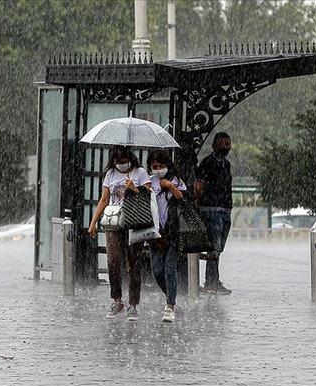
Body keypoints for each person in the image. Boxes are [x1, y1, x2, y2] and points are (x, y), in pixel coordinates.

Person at [88, 146, 151, 321]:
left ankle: (133, 303)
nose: (120, 165)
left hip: (134, 222)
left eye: (123, 161)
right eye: (117, 161)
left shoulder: (140, 173)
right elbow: (104, 199)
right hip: (114, 222)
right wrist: (93, 222)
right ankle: (117, 300)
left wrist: (135, 189)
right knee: (113, 260)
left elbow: (149, 196)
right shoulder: (110, 174)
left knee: (133, 263)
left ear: (129, 158)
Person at [147, 150, 186, 322]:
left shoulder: (176, 179)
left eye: (160, 166)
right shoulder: (149, 181)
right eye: (154, 166)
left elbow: (182, 198)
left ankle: (170, 306)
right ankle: (171, 296)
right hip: (156, 234)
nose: (157, 169)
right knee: (157, 271)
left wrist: (169, 185)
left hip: (173, 232)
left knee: (169, 268)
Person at [195, 132, 233, 295]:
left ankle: (213, 279)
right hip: (211, 210)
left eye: (228, 143)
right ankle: (211, 281)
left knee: (218, 247)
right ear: (214, 145)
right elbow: (199, 186)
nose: (226, 146)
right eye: (223, 143)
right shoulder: (207, 163)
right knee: (214, 247)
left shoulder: (227, 164)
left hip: (224, 210)